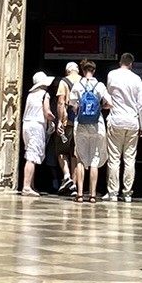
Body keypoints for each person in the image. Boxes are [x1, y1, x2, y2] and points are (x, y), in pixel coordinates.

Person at [103, 53, 142, 202]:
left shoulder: (111, 75)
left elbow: (109, 95)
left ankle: (113, 192)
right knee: (129, 158)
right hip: (132, 121)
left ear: (119, 62)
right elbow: (141, 104)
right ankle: (127, 193)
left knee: (114, 158)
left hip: (116, 119)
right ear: (131, 64)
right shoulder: (136, 79)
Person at [70, 58, 110, 202]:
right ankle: (93, 195)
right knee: (95, 159)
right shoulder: (99, 85)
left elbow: (73, 105)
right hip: (96, 125)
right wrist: (101, 107)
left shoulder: (77, 85)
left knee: (80, 158)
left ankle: (80, 194)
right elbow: (109, 103)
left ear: (82, 70)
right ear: (94, 71)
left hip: (80, 125)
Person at [21, 72, 54, 194]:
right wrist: (54, 119)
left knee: (30, 153)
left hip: (27, 125)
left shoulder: (30, 95)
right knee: (32, 157)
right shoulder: (45, 94)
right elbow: (47, 112)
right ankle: (26, 187)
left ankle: (31, 185)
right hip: (37, 125)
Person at [52, 61, 79, 193]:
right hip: (82, 124)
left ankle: (67, 176)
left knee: (61, 151)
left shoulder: (64, 82)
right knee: (75, 154)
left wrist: (60, 121)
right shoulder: (85, 81)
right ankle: (74, 185)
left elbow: (61, 102)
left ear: (67, 71)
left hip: (68, 123)